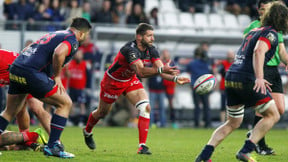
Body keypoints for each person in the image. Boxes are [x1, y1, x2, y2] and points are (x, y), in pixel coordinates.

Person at [195, 2, 288, 161]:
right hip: (246, 78)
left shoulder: (254, 30)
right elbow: (258, 51)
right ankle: (246, 150)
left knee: (232, 123)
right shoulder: (271, 33)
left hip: (232, 77)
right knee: (273, 115)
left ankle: (204, 155)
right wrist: (259, 77)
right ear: (280, 17)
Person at [82, 23, 190, 154]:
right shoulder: (130, 50)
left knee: (146, 107)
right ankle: (87, 131)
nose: (152, 38)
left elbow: (161, 70)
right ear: (139, 37)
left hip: (130, 80)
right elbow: (141, 72)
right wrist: (162, 69)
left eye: (153, 35)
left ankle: (142, 146)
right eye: (149, 36)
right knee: (102, 113)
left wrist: (175, 79)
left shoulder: (151, 49)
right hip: (112, 82)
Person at [0, 17, 91, 158]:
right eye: (87, 35)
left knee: (9, 111)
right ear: (81, 33)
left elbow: (27, 49)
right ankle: (53, 146)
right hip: (32, 73)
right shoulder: (72, 40)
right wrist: (57, 76)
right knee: (65, 103)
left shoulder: (55, 34)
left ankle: (32, 139)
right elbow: (59, 53)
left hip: (17, 67)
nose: (86, 38)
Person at [243, 0, 288, 155]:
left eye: (266, 9)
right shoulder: (253, 27)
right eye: (261, 9)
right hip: (261, 69)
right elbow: (250, 50)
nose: (263, 12)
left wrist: (287, 62)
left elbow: (282, 51)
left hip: (274, 70)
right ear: (258, 10)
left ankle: (253, 134)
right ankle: (258, 143)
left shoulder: (277, 29)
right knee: (264, 109)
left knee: (280, 108)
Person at [186, 47, 213, 128]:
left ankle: (196, 123)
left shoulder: (191, 63)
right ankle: (207, 123)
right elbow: (210, 73)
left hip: (195, 86)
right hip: (205, 86)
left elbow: (187, 71)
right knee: (206, 105)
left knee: (197, 106)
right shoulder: (206, 63)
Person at [161, 49, 178, 128]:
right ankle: (161, 121)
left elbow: (176, 72)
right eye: (164, 53)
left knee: (171, 104)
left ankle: (173, 122)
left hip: (170, 86)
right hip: (160, 86)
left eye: (166, 53)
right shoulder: (160, 62)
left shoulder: (171, 63)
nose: (165, 54)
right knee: (160, 105)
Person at [217, 50, 235, 123]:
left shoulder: (236, 64)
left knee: (231, 106)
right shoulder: (223, 64)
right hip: (224, 88)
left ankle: (230, 122)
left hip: (234, 88)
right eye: (229, 54)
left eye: (231, 54)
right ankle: (222, 122)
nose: (230, 56)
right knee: (223, 106)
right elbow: (219, 74)